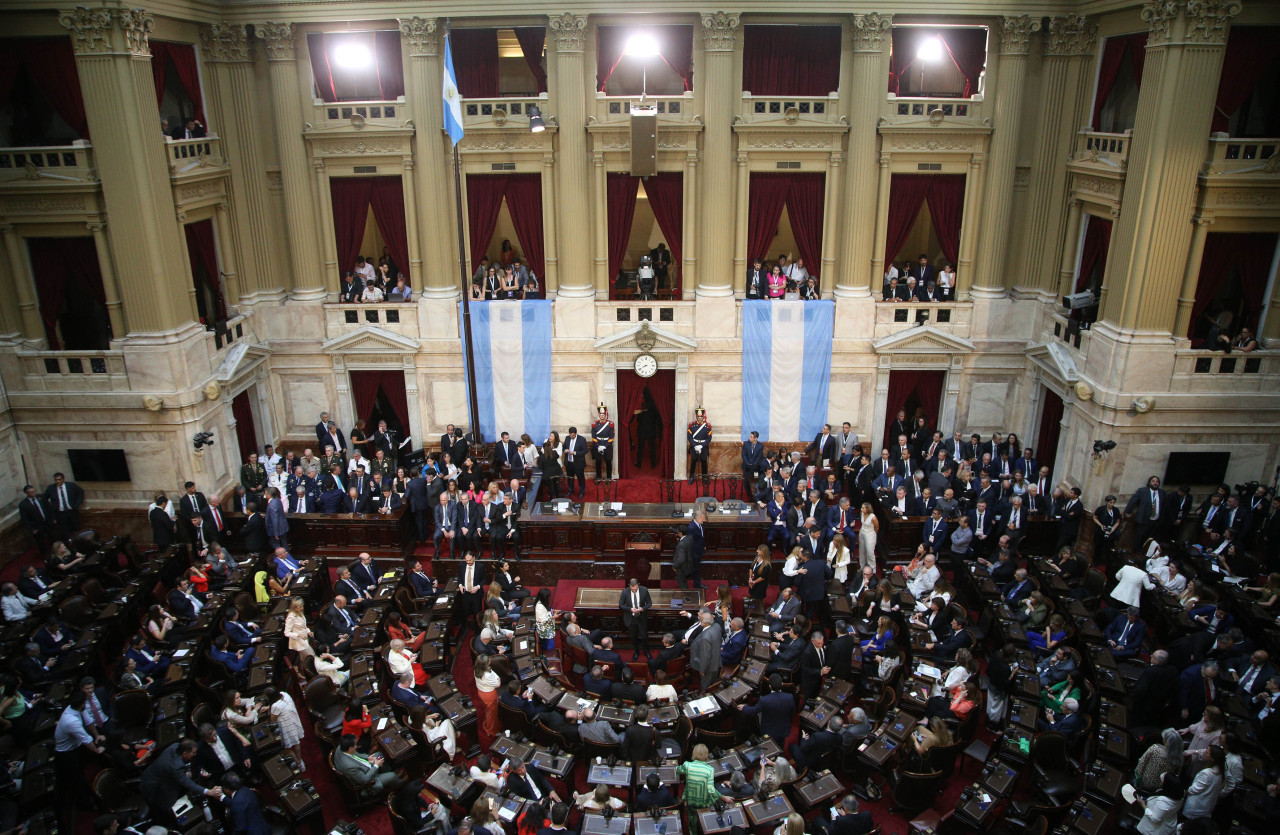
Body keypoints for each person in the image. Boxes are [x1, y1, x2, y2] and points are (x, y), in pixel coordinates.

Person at [139, 739, 223, 822]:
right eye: (193, 753)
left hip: (152, 774)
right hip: (154, 787)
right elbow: (188, 783)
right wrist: (208, 792)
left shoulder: (176, 746)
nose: (195, 754)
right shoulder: (176, 766)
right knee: (160, 810)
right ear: (184, 753)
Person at [334, 733, 405, 797]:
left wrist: (368, 758)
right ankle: (400, 783)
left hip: (364, 767)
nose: (356, 746)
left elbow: (357, 755)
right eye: (355, 745)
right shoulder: (349, 767)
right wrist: (376, 766)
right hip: (368, 780)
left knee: (379, 754)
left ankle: (388, 771)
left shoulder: (342, 747)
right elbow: (365, 780)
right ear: (350, 748)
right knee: (392, 776)